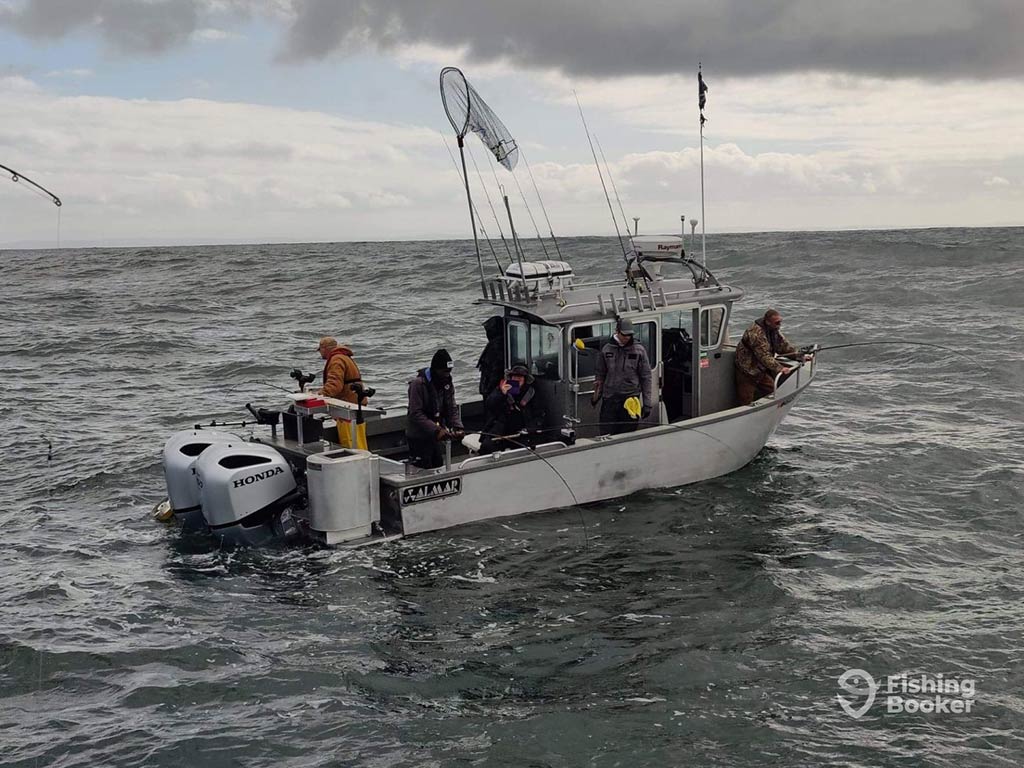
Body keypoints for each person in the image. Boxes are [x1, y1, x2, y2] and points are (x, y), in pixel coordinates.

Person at [591, 318, 653, 434]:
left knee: (628, 434)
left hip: (631, 399)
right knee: (606, 432)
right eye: (624, 335)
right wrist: (596, 397)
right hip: (610, 399)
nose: (627, 338)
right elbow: (600, 375)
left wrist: (647, 403)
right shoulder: (606, 349)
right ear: (617, 331)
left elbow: (646, 377)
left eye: (629, 335)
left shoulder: (639, 350)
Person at [406, 348, 465, 469]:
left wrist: (457, 426)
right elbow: (415, 414)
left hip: (434, 435)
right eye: (444, 372)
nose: (446, 375)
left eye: (449, 372)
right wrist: (436, 430)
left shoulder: (447, 384)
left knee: (438, 463)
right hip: (418, 435)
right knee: (423, 467)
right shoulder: (418, 385)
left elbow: (451, 407)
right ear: (435, 369)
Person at [734, 308, 803, 405]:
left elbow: (783, 346)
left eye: (780, 322)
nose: (779, 325)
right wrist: (780, 368)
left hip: (760, 370)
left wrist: (799, 356)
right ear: (768, 322)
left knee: (773, 391)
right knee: (745, 399)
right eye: (777, 323)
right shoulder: (755, 334)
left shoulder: (773, 329)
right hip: (746, 370)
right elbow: (764, 356)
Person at [480, 364, 548, 454]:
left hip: (522, 430)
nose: (517, 379)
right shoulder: (502, 388)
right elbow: (490, 405)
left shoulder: (532, 392)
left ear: (525, 379)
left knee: (524, 450)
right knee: (486, 446)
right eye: (514, 377)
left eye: (520, 377)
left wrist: (530, 428)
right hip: (502, 428)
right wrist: (501, 393)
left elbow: (540, 414)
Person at [476, 316, 505, 397]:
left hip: (492, 390)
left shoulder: (496, 347)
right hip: (491, 389)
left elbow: (496, 371)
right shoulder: (496, 344)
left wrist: (489, 389)